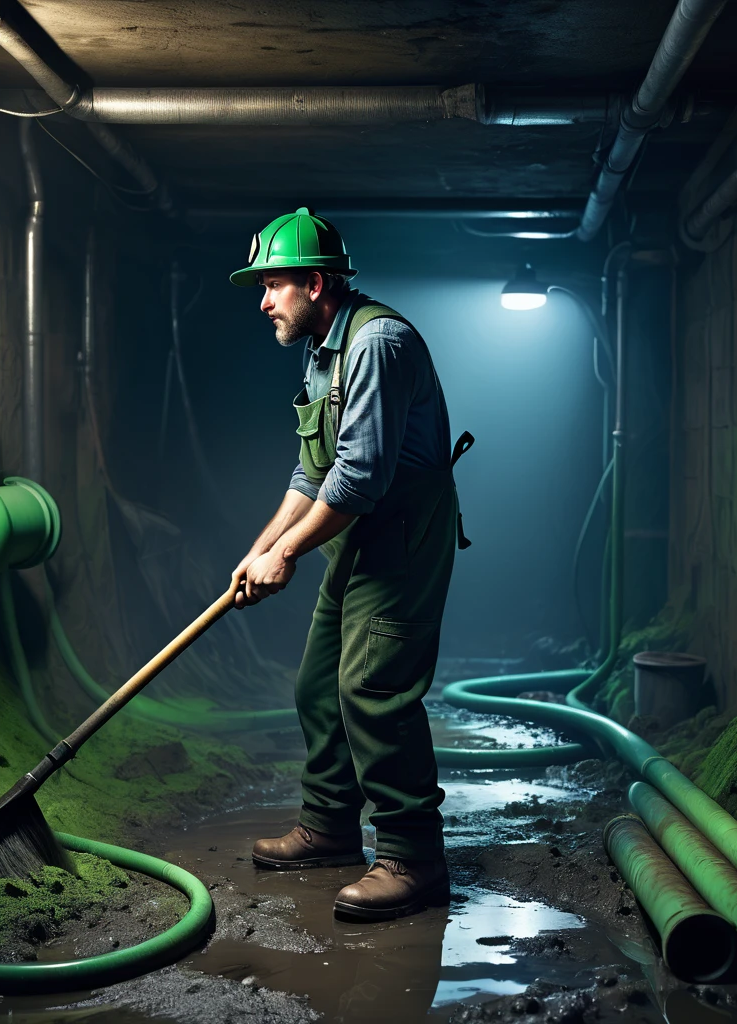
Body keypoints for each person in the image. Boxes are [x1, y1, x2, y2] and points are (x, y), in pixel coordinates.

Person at [228, 207, 472, 921]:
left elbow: (358, 480)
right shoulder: (322, 349)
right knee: (317, 684)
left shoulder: (377, 344)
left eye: (273, 285)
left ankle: (413, 856)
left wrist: (290, 555)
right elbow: (312, 475)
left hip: (400, 540)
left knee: (373, 688)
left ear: (315, 282)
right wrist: (262, 546)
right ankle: (331, 829)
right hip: (358, 536)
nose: (265, 302)